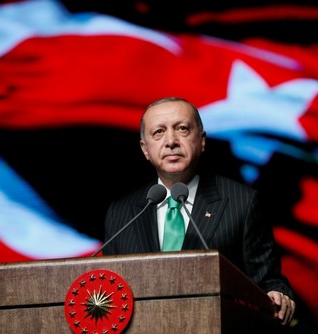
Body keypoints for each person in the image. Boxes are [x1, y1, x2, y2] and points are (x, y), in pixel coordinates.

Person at [103, 96, 296, 326]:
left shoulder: (242, 202)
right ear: (145, 149)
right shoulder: (121, 213)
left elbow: (269, 281)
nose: (171, 141)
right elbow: (108, 290)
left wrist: (278, 294)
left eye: (182, 129)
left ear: (202, 140)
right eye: (159, 133)